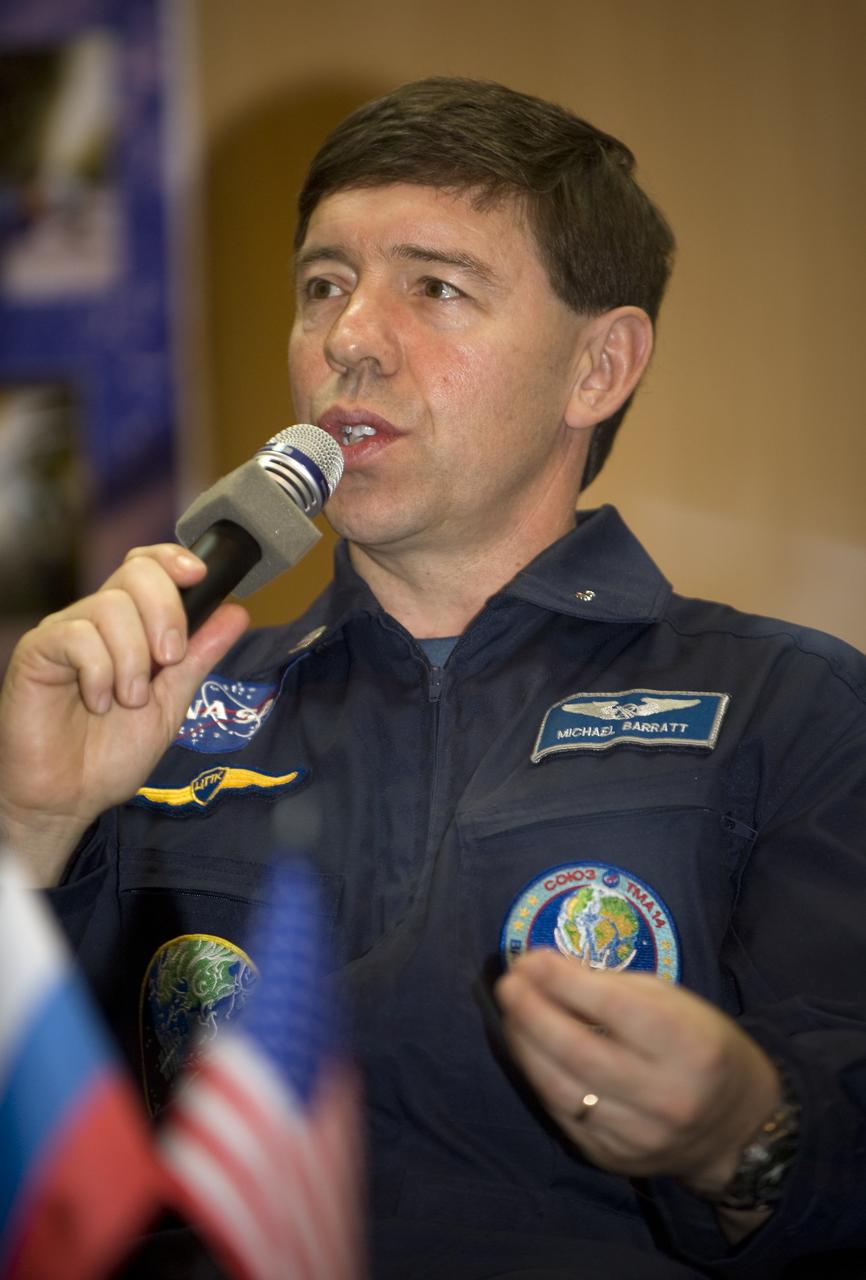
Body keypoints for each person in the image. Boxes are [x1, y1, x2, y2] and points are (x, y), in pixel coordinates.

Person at [1, 77, 865, 1279]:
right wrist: (29, 824)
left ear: (598, 366)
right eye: (323, 285)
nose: (348, 338)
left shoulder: (788, 703)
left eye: (435, 287)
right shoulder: (154, 708)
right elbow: (38, 1159)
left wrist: (739, 1134)